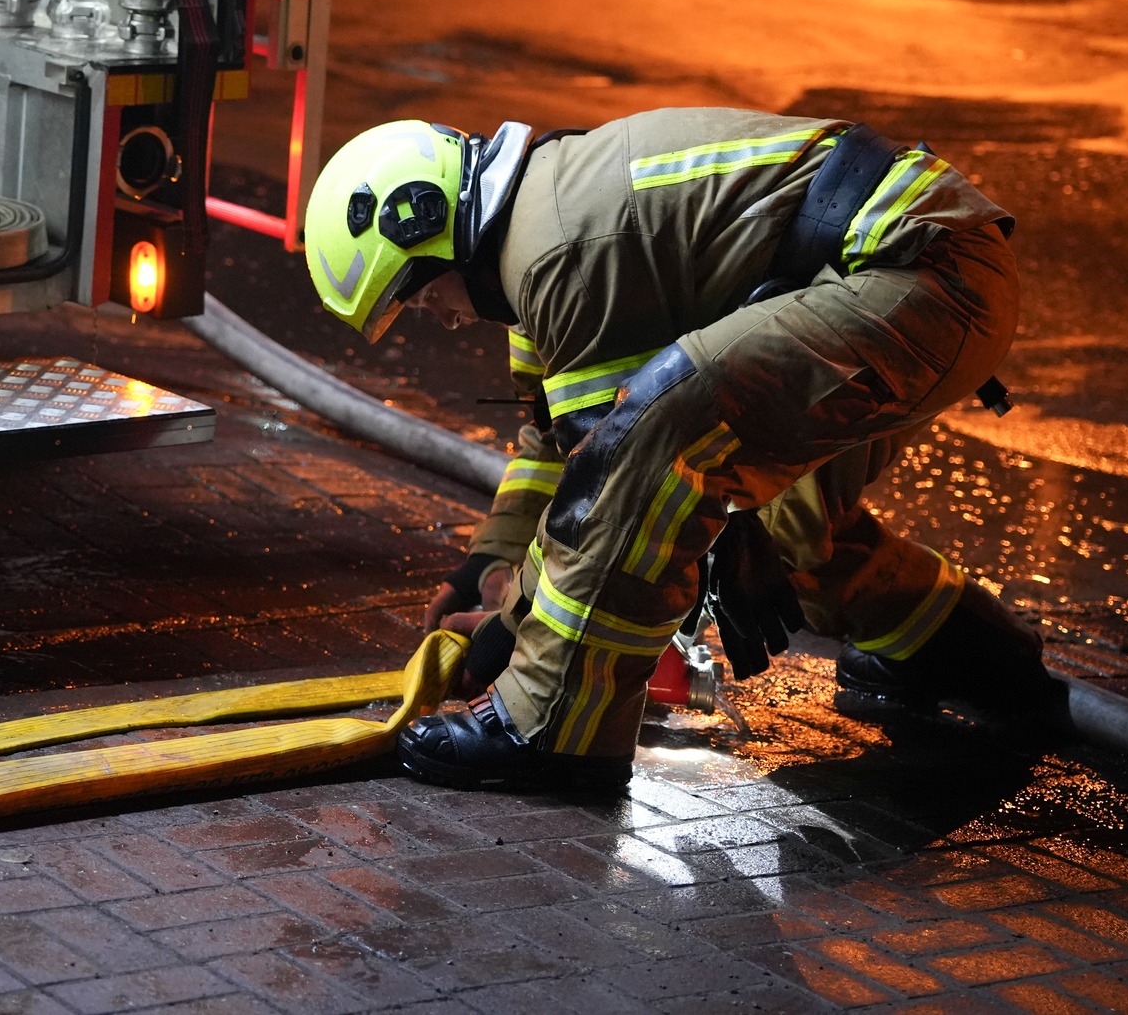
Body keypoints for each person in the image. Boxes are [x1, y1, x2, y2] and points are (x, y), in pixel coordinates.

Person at [303, 108, 1059, 793]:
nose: (442, 318)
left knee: (655, 443)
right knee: (788, 537)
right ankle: (978, 659)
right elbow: (550, 437)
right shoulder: (533, 234)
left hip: (921, 275)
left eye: (422, 297)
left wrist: (505, 635)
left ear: (433, 231)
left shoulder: (557, 255)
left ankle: (549, 726)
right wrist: (485, 564)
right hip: (909, 267)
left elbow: (606, 473)